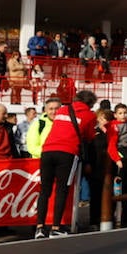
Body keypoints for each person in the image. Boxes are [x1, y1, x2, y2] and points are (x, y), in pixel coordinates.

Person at [34, 89, 97, 238]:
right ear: (90, 103)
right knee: (61, 190)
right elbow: (89, 137)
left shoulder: (63, 109)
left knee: (44, 190)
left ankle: (40, 227)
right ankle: (55, 227)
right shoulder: (89, 115)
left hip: (47, 150)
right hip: (67, 152)